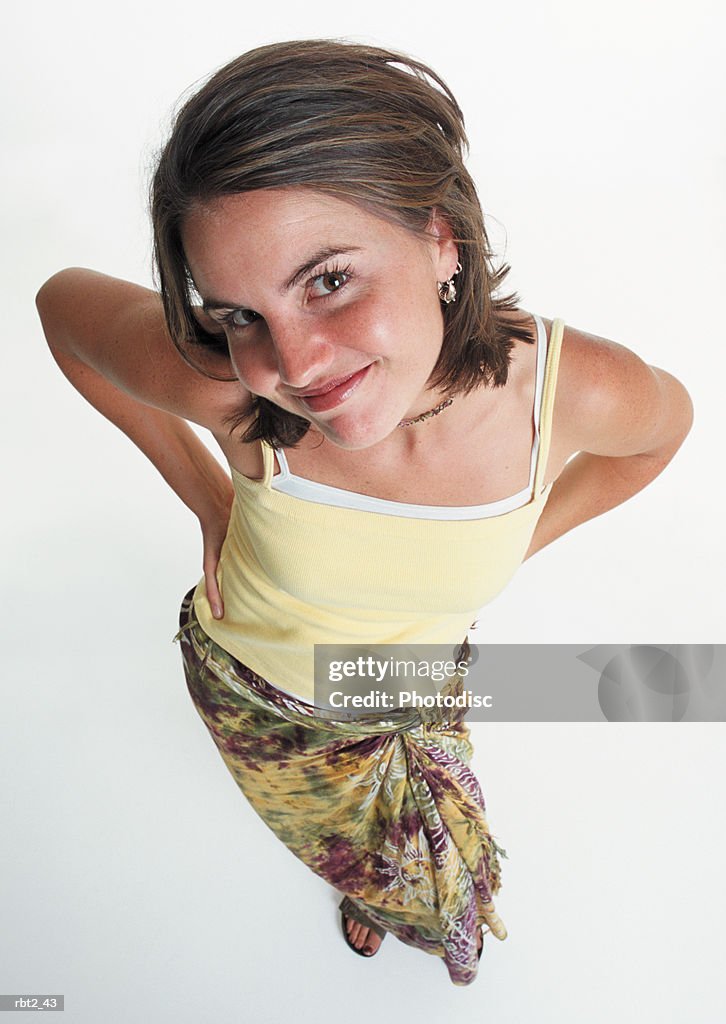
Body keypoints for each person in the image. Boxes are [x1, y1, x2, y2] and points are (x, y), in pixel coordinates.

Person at [35, 39, 693, 986]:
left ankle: (394, 899)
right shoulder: (240, 397)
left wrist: (518, 542)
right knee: (345, 848)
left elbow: (663, 437)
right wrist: (207, 499)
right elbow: (63, 310)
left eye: (329, 278)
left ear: (439, 236)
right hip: (259, 701)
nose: (295, 365)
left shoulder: (565, 393)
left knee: (437, 868)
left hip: (402, 696)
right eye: (238, 314)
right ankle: (363, 885)